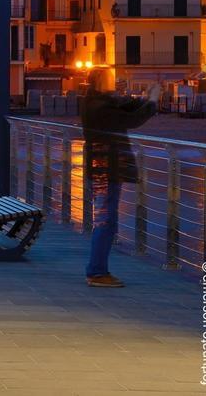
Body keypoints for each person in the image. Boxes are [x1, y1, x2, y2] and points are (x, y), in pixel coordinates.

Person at [81, 68, 158, 288]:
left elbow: (127, 106)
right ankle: (96, 272)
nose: (115, 82)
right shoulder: (100, 108)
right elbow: (133, 119)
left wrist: (146, 98)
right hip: (105, 169)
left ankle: (98, 270)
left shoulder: (97, 103)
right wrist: (151, 101)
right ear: (98, 83)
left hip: (105, 168)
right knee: (105, 220)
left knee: (107, 219)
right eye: (109, 79)